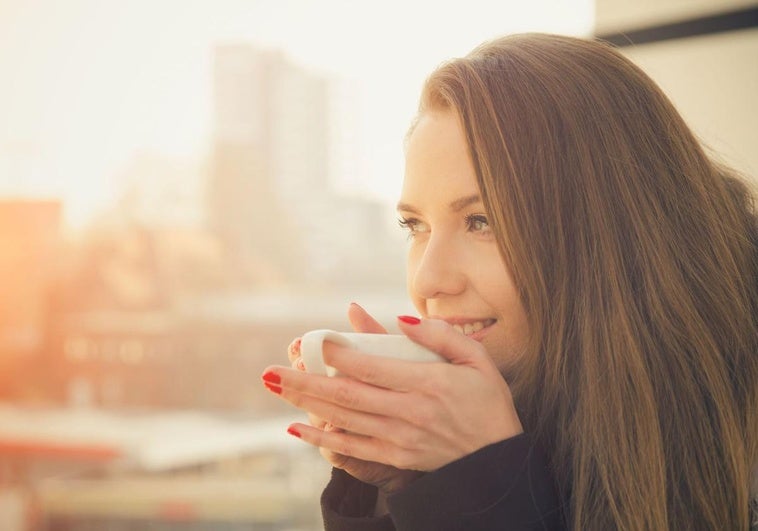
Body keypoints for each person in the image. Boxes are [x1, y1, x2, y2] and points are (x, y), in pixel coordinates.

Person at [261, 33, 758, 530]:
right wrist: (408, 492)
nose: (429, 280)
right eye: (415, 226)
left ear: (609, 231)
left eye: (481, 221)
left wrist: (487, 485)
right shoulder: (535, 406)